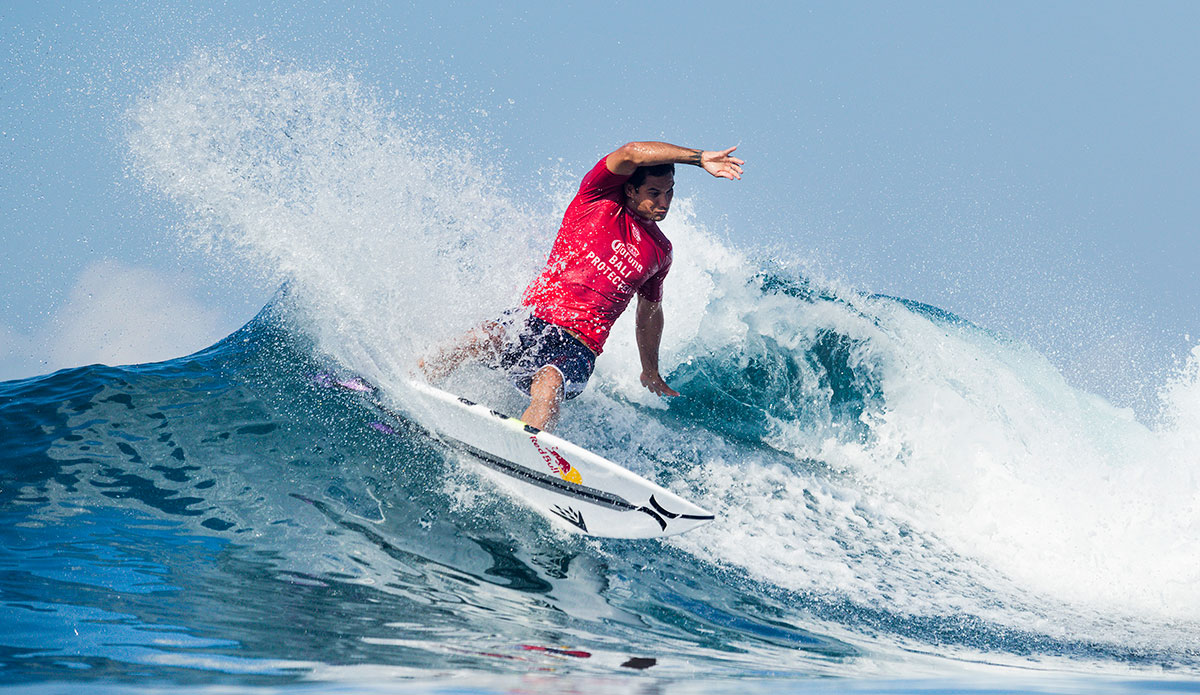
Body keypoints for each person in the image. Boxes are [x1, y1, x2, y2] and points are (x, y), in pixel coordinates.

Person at [419, 141, 744, 431]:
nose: (665, 201)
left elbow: (649, 311)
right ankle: (410, 381)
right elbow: (630, 152)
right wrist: (699, 158)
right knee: (484, 335)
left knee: (549, 383)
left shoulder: (660, 252)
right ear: (631, 190)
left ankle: (528, 449)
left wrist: (650, 370)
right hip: (532, 320)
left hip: (578, 348)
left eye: (670, 192)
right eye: (655, 193)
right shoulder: (595, 198)